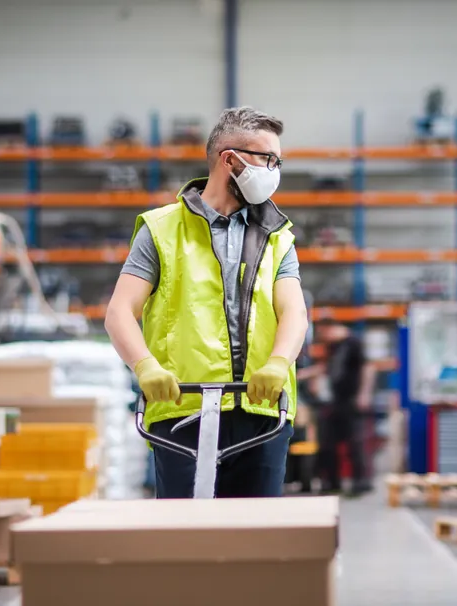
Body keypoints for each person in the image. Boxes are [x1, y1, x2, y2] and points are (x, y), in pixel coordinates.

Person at [105, 107, 309, 499]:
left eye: (278, 161)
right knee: (185, 539)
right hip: (184, 407)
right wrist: (144, 366)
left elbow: (294, 313)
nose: (274, 170)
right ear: (229, 159)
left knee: (255, 537)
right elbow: (119, 312)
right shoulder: (161, 229)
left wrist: (279, 362)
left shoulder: (278, 236)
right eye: (268, 159)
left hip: (261, 409)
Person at [316, 320, 376, 495]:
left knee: (356, 443)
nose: (323, 337)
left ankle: (361, 483)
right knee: (329, 443)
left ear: (333, 328)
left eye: (323, 333)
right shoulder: (334, 347)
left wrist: (364, 394)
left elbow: (368, 368)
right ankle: (332, 483)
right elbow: (326, 369)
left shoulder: (354, 343)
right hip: (337, 401)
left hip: (353, 401)